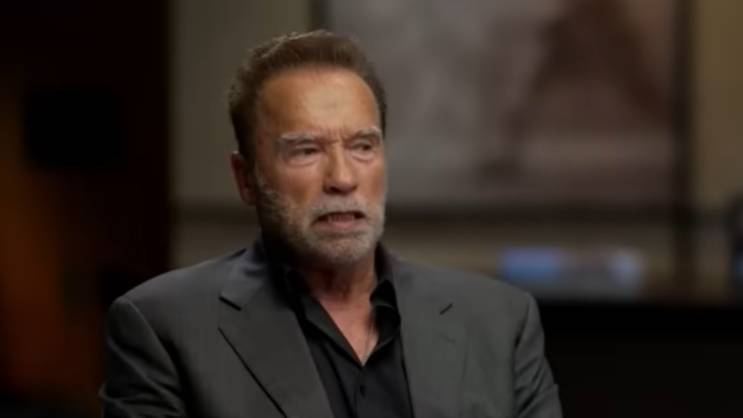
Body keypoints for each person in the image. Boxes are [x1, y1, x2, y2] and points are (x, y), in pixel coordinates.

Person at [99, 30, 562, 418]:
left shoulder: (500, 323)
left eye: (363, 146)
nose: (342, 178)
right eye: (306, 150)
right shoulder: (164, 328)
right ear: (246, 179)